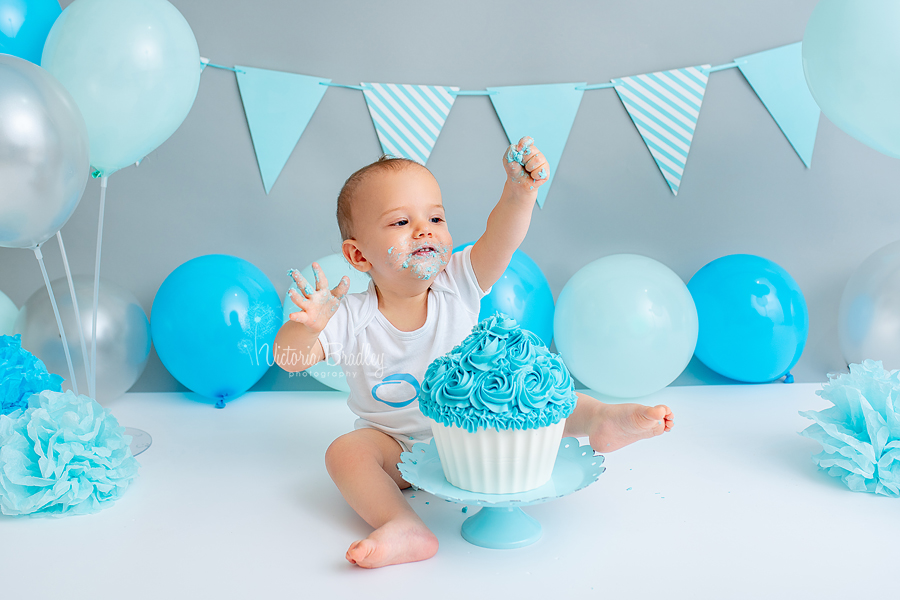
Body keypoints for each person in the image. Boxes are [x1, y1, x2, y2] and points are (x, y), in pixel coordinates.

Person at [274, 137, 674, 569]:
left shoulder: (457, 281)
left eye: (435, 217)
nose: (424, 229)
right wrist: (305, 325)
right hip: (398, 448)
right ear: (358, 255)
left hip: (476, 426)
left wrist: (519, 192)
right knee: (346, 452)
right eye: (401, 222)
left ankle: (601, 419)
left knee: (535, 398)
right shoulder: (351, 314)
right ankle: (403, 525)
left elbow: (500, 238)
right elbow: (291, 360)